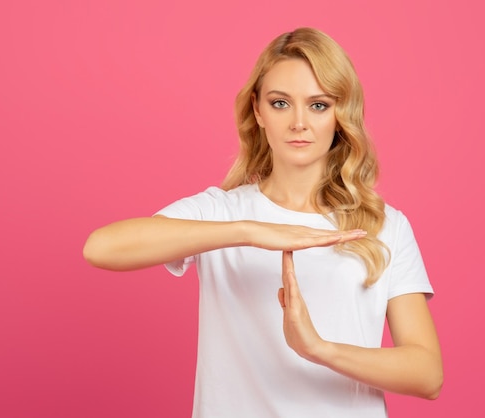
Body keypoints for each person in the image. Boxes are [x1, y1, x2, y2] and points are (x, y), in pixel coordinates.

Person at [83, 27, 443, 417]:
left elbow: (427, 374)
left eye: (319, 105)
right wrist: (250, 231)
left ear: (341, 113)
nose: (299, 123)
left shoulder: (384, 226)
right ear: (258, 110)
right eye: (280, 103)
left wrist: (318, 348)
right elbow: (100, 248)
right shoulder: (220, 213)